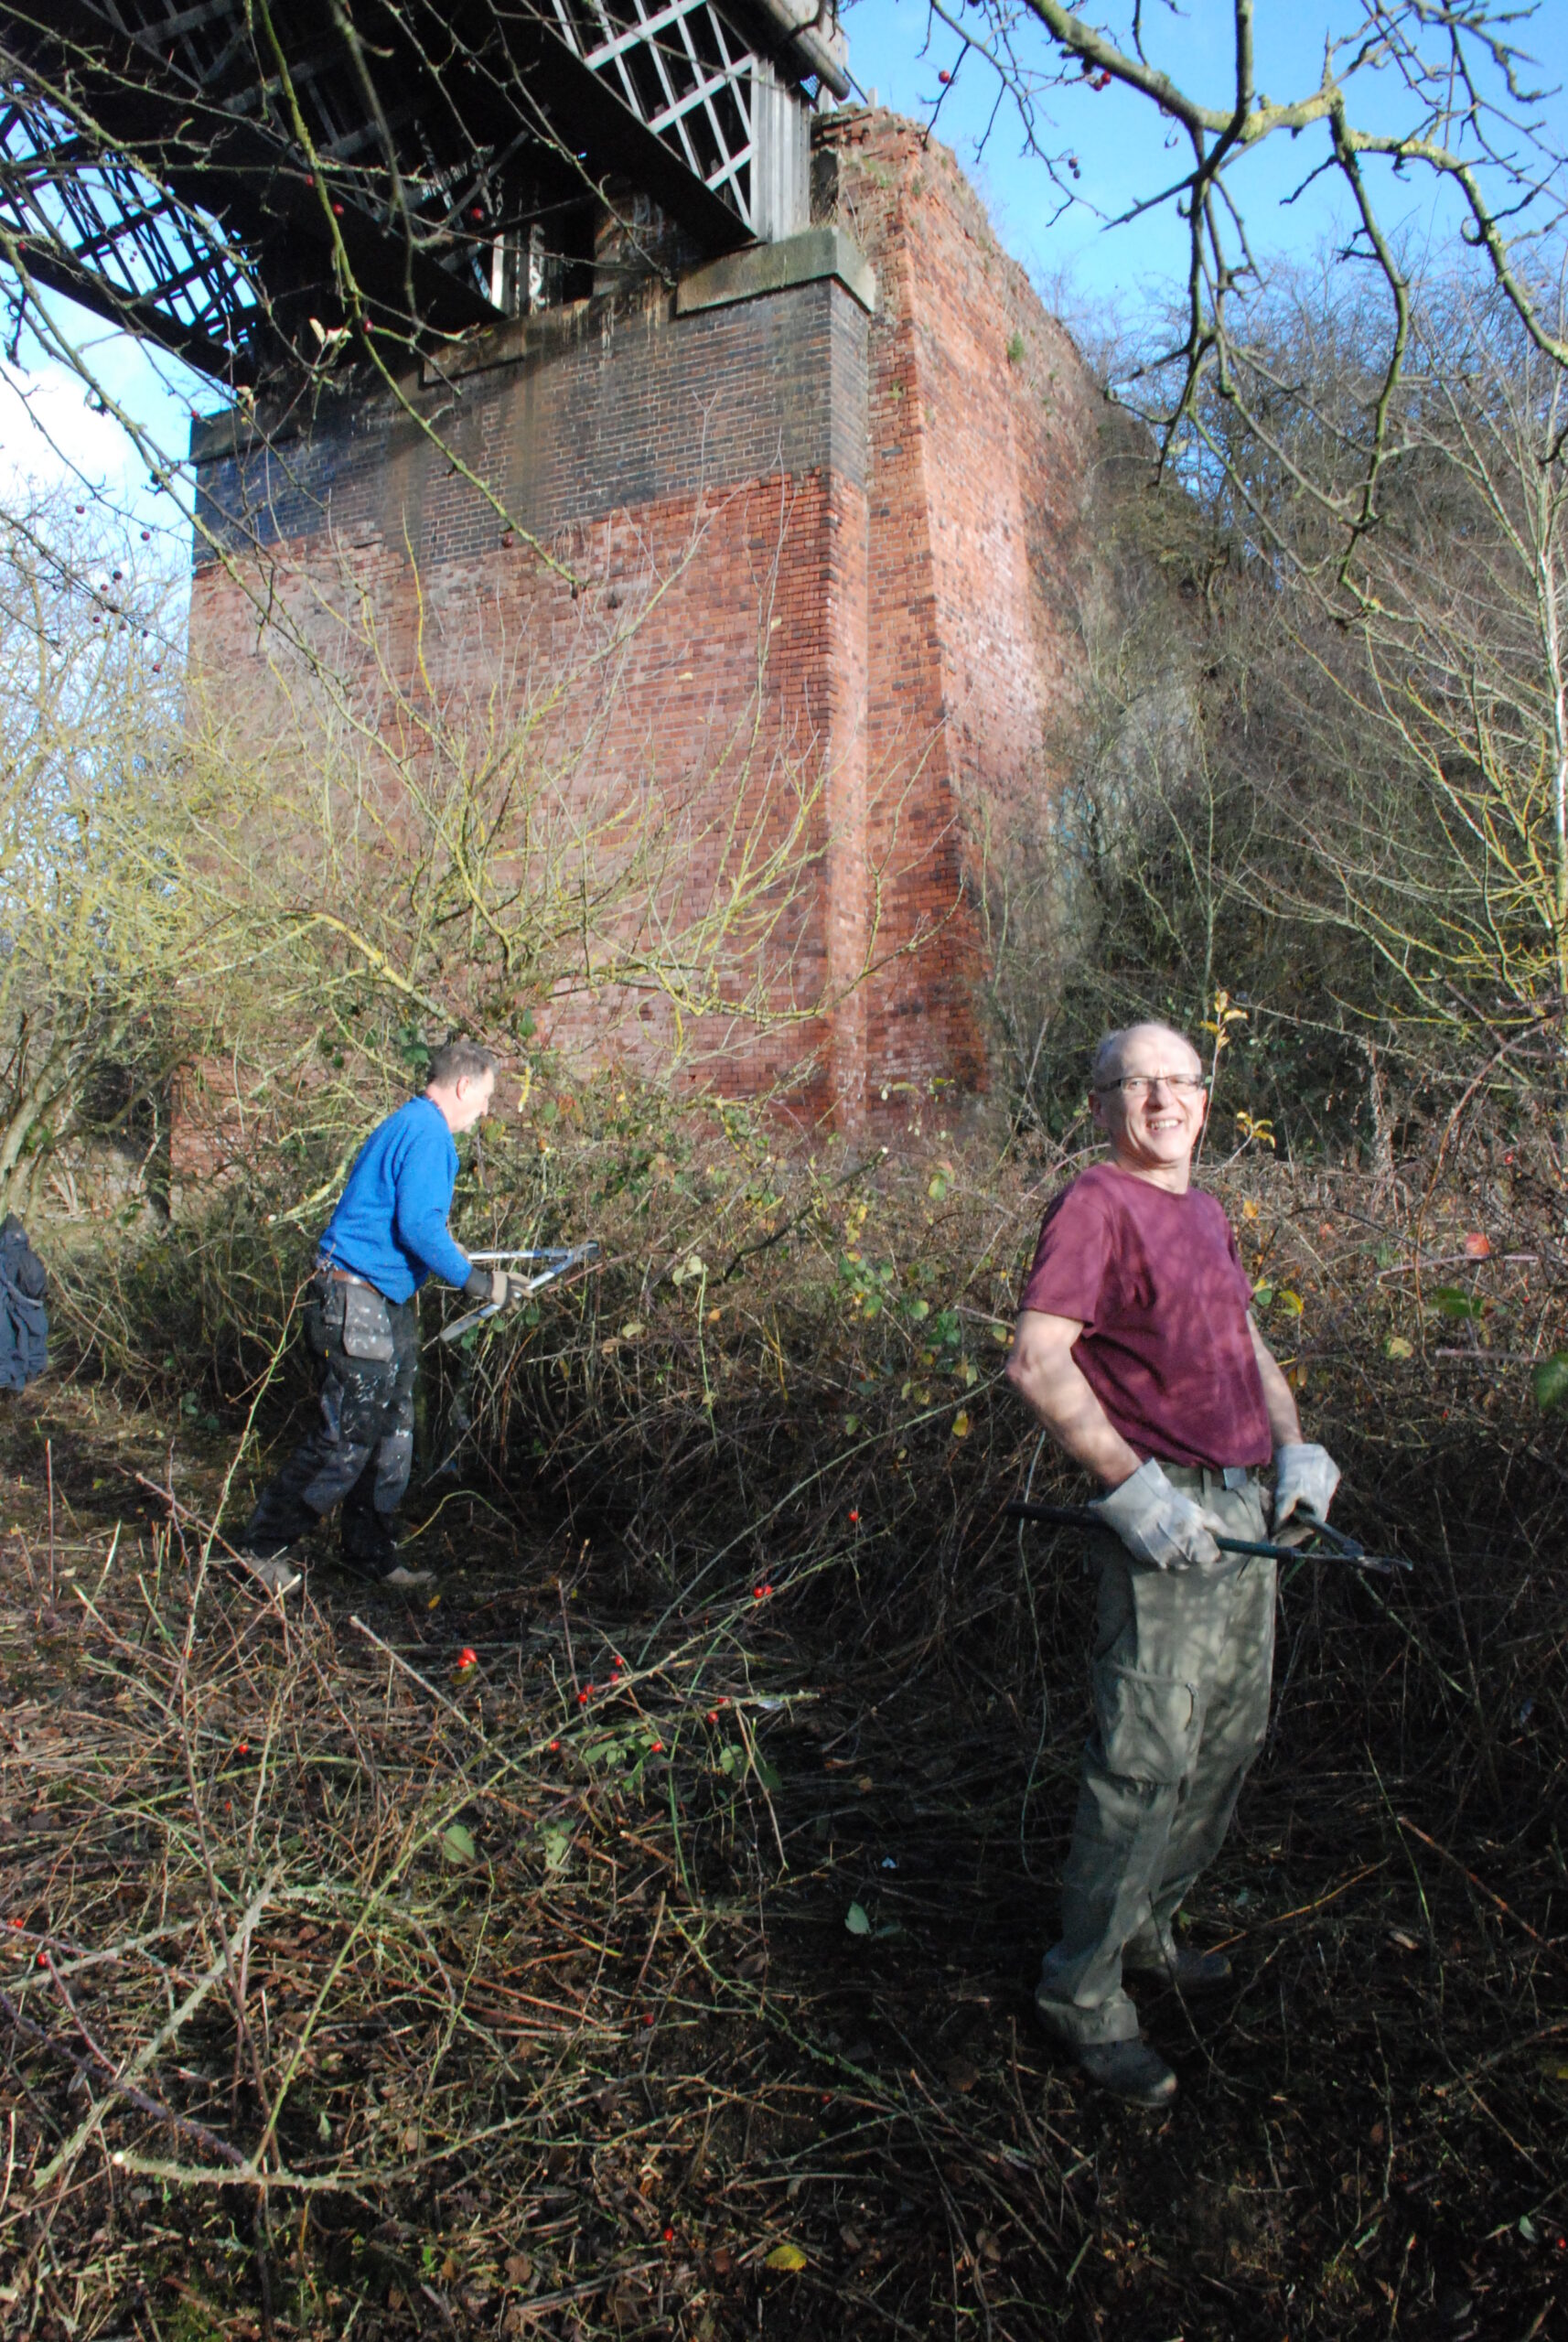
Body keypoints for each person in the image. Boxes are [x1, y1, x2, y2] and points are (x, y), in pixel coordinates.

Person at [1004, 1021, 1342, 2106]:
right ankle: (1084, 1994)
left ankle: (1149, 1927)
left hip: (1244, 1508)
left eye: (1179, 1081)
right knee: (1143, 1760)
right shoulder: (1096, 1205)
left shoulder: (1203, 1211)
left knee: (1227, 1739)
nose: (1161, 1100)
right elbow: (1037, 1359)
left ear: (1206, 1096)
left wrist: (1292, 1447)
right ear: (1102, 1104)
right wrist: (1125, 1484)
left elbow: (1244, 1343)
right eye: (1135, 1083)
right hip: (1167, 1516)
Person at [239, 1040, 527, 1597]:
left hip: (381, 1300)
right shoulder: (428, 1134)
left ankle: (370, 1554)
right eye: (486, 1097)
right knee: (346, 1435)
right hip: (355, 1300)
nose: (486, 1111)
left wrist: (458, 1257)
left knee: (392, 1435)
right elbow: (419, 1227)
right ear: (464, 1086)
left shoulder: (411, 1126)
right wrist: (480, 1283)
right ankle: (260, 1548)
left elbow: (411, 1225)